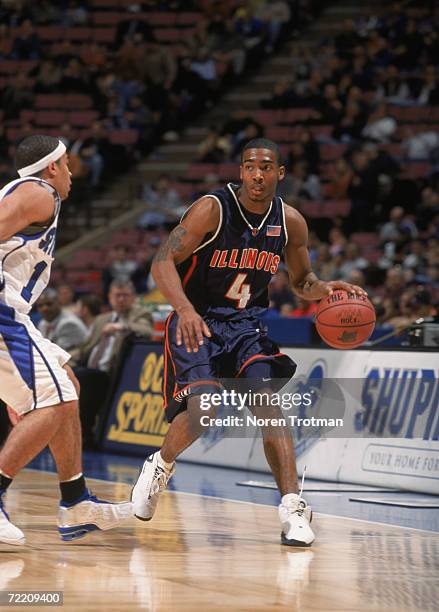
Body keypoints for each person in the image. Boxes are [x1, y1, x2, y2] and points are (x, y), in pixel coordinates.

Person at [131, 138, 366, 547]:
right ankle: (160, 465)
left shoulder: (290, 222)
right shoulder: (211, 209)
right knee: (203, 410)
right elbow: (162, 260)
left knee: (270, 408)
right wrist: (185, 310)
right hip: (197, 320)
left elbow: (301, 281)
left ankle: (292, 506)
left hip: (245, 327)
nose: (258, 174)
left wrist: (326, 290)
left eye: (266, 167)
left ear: (280, 173)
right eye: (250, 166)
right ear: (240, 171)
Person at [0, 135, 132, 546]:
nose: (73, 174)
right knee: (56, 400)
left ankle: (76, 502)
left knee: (67, 385)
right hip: (3, 312)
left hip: (15, 314)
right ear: (52, 166)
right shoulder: (40, 193)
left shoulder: (26, 194)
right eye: (69, 166)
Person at [70, 280, 152, 448]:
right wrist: (61, 360)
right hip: (88, 369)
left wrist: (121, 327)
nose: (121, 299)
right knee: (67, 372)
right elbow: (85, 347)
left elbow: (146, 330)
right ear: (110, 297)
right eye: (117, 295)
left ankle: (83, 435)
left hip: (110, 373)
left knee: (86, 377)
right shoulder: (102, 319)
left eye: (125, 296)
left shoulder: (140, 314)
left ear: (133, 297)